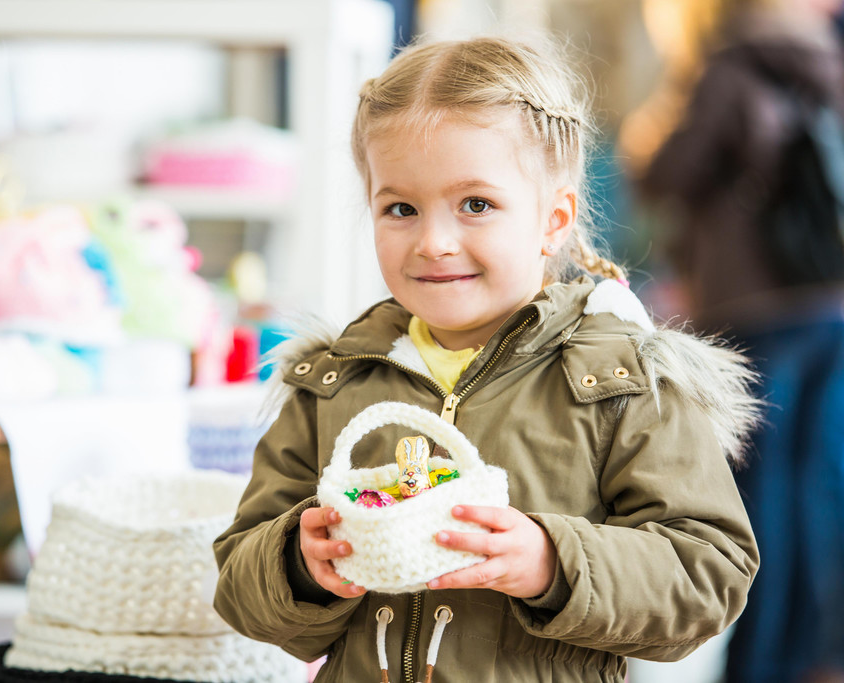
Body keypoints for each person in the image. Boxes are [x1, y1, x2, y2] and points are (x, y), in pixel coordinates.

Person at [213, 35, 761, 682]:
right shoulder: (333, 381)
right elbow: (241, 585)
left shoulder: (623, 381)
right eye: (400, 208)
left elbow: (709, 575)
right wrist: (299, 565)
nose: (434, 241)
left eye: (476, 205)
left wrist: (552, 562)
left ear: (554, 220)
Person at [639, 1, 844, 681]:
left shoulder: (728, 70)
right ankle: (807, 653)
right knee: (815, 489)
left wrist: (657, 126)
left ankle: (756, 664)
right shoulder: (830, 66)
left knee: (756, 498)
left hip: (755, 309)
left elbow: (667, 173)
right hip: (830, 303)